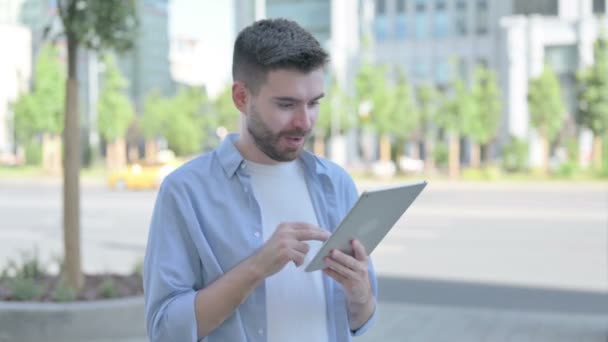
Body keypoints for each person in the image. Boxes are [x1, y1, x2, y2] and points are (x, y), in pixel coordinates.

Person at [143, 18, 377, 342]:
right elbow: (165, 329)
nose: (304, 122)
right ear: (241, 97)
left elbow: (359, 320)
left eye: (314, 103)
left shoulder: (336, 184)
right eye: (286, 104)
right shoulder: (185, 192)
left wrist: (361, 293)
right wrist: (257, 267)